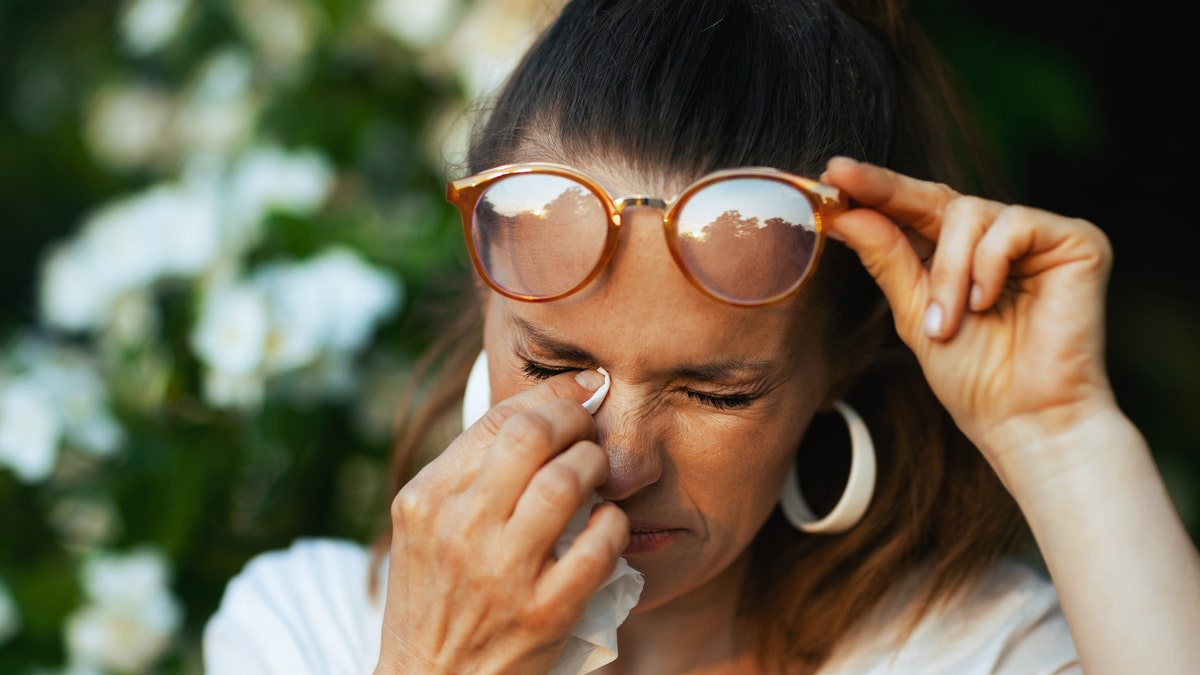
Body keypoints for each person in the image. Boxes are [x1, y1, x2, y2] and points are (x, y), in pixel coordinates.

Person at [202, 0, 1200, 673]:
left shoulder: (966, 647)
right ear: (484, 301)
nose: (624, 457)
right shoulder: (306, 629)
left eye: (717, 392)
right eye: (553, 363)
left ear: (836, 365)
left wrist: (1062, 436)